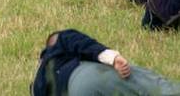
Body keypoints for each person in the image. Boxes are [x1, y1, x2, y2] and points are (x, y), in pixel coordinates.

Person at [31, 28, 180, 95]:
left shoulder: (39, 85)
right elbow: (76, 40)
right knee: (151, 86)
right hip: (86, 78)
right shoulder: (57, 44)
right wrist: (111, 57)